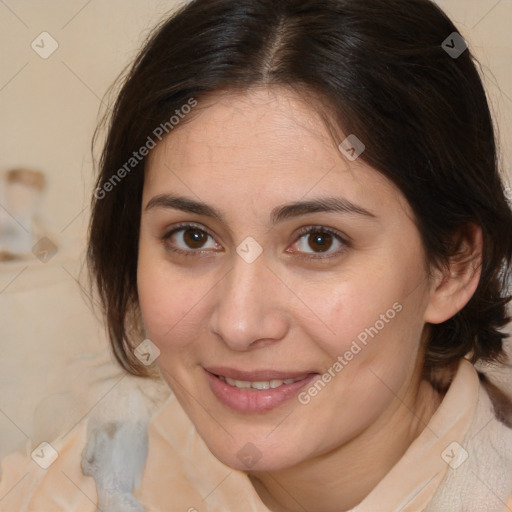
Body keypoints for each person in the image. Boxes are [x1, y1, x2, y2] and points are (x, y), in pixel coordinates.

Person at [1, 0, 512, 510]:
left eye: (319, 241)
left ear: (452, 267)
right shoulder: (61, 489)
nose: (239, 324)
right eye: (193, 237)